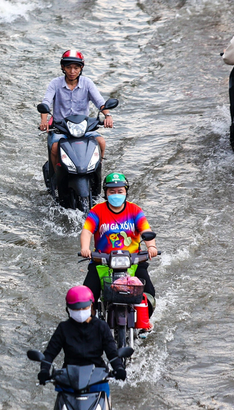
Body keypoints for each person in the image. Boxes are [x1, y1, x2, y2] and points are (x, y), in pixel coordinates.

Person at [37, 285, 126, 410]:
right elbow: (50, 353)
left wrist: (118, 368)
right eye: (75, 309)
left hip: (97, 380)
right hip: (69, 380)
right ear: (68, 310)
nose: (79, 312)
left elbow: (111, 351)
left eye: (83, 308)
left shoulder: (101, 327)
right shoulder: (63, 328)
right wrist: (45, 369)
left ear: (92, 307)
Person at [80, 172, 157, 317]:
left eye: (120, 191)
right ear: (106, 193)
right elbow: (87, 231)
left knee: (149, 294)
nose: (116, 194)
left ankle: (144, 322)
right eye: (112, 191)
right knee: (86, 297)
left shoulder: (135, 210)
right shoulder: (97, 211)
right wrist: (85, 248)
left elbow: (145, 229)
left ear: (126, 192)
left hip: (133, 261)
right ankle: (89, 325)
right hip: (101, 261)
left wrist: (151, 247)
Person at [39, 50, 114, 178]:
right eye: (68, 67)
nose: (72, 71)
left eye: (76, 68)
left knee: (101, 142)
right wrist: (44, 121)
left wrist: (108, 115)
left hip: (83, 127)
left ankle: (96, 170)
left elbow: (100, 102)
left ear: (81, 68)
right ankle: (56, 176)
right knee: (55, 147)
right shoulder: (55, 84)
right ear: (63, 67)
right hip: (60, 127)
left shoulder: (87, 83)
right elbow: (46, 103)